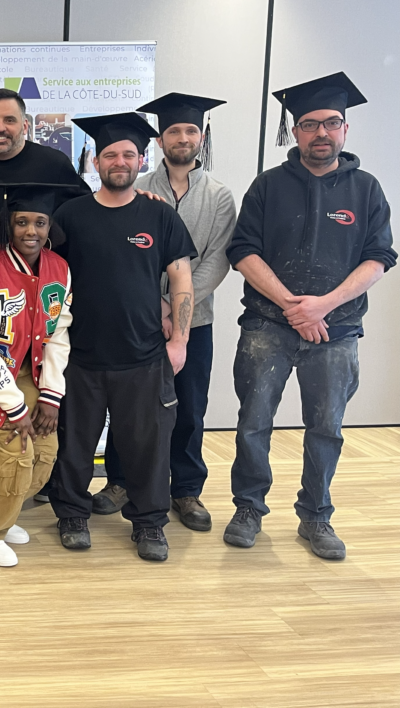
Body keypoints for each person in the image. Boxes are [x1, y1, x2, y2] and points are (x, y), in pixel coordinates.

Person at [225, 72, 394, 560]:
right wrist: (292, 306)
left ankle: (316, 515)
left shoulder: (366, 190)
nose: (322, 132)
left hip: (336, 331)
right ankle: (249, 508)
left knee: (326, 427)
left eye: (331, 123)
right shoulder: (268, 186)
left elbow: (379, 257)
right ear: (295, 131)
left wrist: (324, 305)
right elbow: (243, 251)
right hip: (267, 326)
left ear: (345, 129)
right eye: (310, 124)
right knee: (253, 422)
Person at [48, 112, 196, 562]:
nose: (119, 161)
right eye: (110, 155)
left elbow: (181, 280)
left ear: (141, 160)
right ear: (95, 161)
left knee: (148, 448)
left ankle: (149, 522)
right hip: (81, 356)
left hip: (144, 355)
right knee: (74, 445)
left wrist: (179, 341)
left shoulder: (159, 215)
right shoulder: (70, 215)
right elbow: (50, 279)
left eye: (128, 154)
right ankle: (72, 514)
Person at [93, 93, 237, 532]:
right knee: (128, 406)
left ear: (201, 137)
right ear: (159, 140)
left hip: (196, 320)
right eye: (174, 130)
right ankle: (120, 481)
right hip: (135, 319)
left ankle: (186, 489)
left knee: (189, 408)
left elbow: (218, 260)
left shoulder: (219, 196)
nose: (183, 138)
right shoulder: (137, 186)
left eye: (191, 130)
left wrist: (177, 307)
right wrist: (149, 302)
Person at [0, 183, 81, 567]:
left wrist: (50, 396)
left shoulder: (59, 268)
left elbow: (58, 334)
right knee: (17, 446)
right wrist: (15, 407)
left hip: (30, 370)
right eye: (21, 222)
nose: (31, 231)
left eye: (39, 222)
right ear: (8, 224)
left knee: (46, 448)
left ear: (50, 226)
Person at [0, 88, 89, 249]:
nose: (0, 128)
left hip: (41, 263)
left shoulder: (54, 164)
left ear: (25, 126)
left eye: (9, 120)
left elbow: (81, 214)